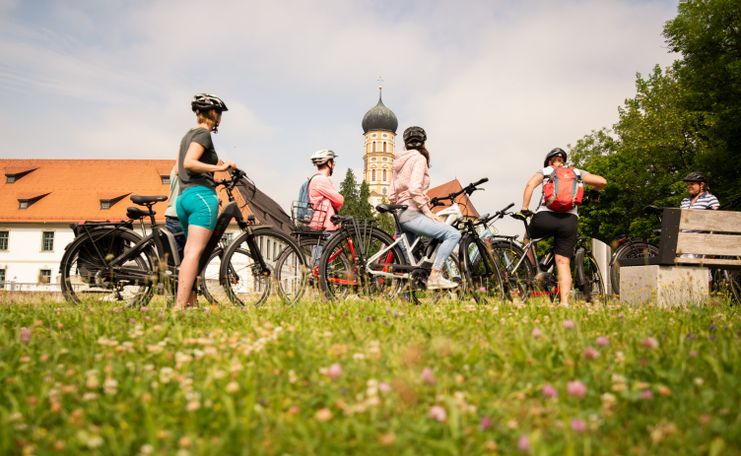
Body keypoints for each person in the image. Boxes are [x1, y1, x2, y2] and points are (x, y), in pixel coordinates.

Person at [519, 147, 607, 306]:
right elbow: (602, 181)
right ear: (563, 161)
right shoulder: (577, 172)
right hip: (569, 220)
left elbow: (529, 185)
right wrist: (595, 192)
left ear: (549, 161)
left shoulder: (546, 171)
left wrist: (524, 208)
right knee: (563, 263)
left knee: (527, 238)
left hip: (545, 216)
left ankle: (532, 270)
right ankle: (565, 303)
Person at [175, 93, 236, 310]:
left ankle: (191, 304)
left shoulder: (188, 135)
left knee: (191, 254)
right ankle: (180, 307)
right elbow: (189, 163)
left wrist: (213, 175)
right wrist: (219, 168)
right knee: (193, 253)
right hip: (201, 198)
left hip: (184, 198)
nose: (220, 117)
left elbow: (180, 169)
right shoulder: (203, 134)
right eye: (219, 113)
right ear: (213, 113)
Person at [389, 126, 461, 290]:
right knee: (452, 234)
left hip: (400, 213)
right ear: (423, 143)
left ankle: (401, 293)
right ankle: (435, 276)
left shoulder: (398, 161)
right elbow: (415, 188)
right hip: (411, 213)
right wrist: (428, 212)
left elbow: (392, 193)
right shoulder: (419, 159)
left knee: (408, 262)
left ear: (406, 144)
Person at [308, 149, 344, 231]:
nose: (334, 165)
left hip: (322, 222)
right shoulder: (320, 179)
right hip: (324, 224)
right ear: (328, 163)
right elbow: (339, 200)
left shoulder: (317, 178)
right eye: (333, 162)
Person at [164, 166, 185, 260]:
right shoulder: (190, 167)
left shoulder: (174, 168)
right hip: (183, 218)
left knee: (174, 261)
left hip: (172, 215)